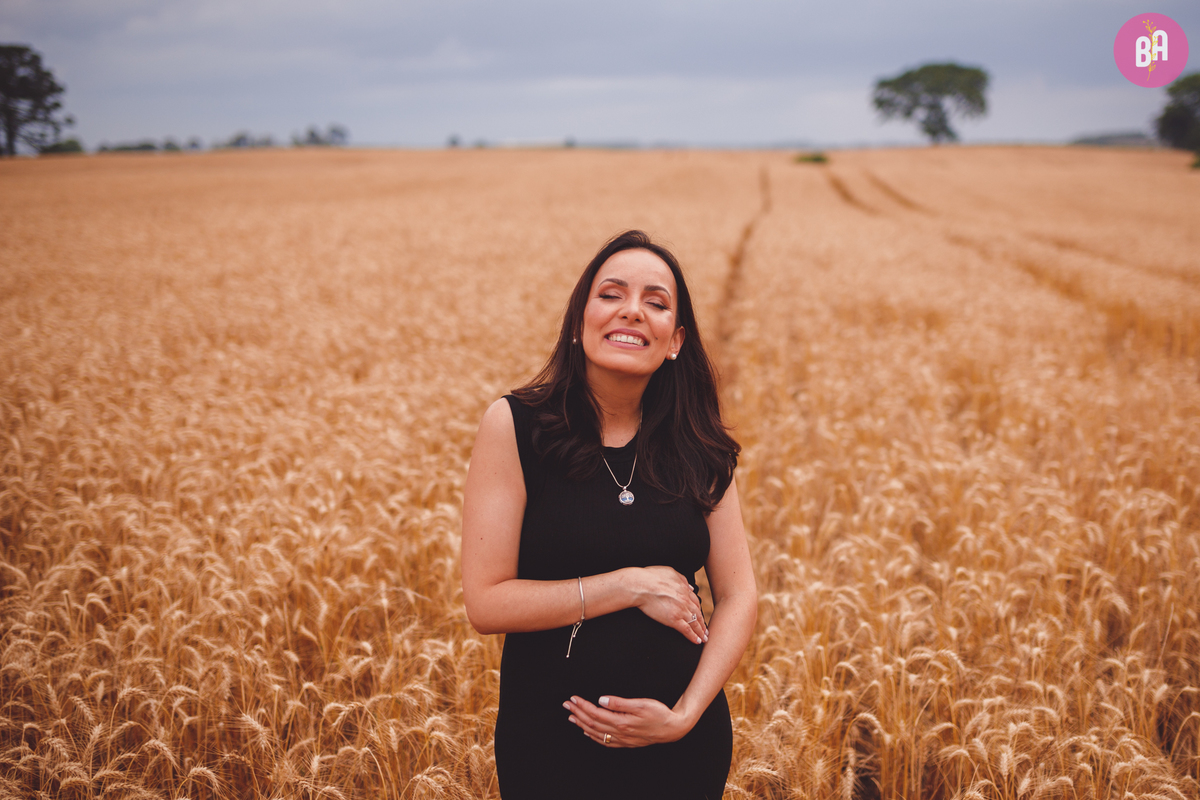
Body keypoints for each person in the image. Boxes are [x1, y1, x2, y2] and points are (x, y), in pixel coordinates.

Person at [462, 230, 757, 799]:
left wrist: (684, 715)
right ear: (578, 321)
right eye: (612, 294)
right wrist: (627, 586)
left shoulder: (700, 445)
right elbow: (486, 602)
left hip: (682, 749)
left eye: (656, 302)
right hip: (550, 742)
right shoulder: (515, 427)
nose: (632, 311)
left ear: (675, 340)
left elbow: (740, 594)